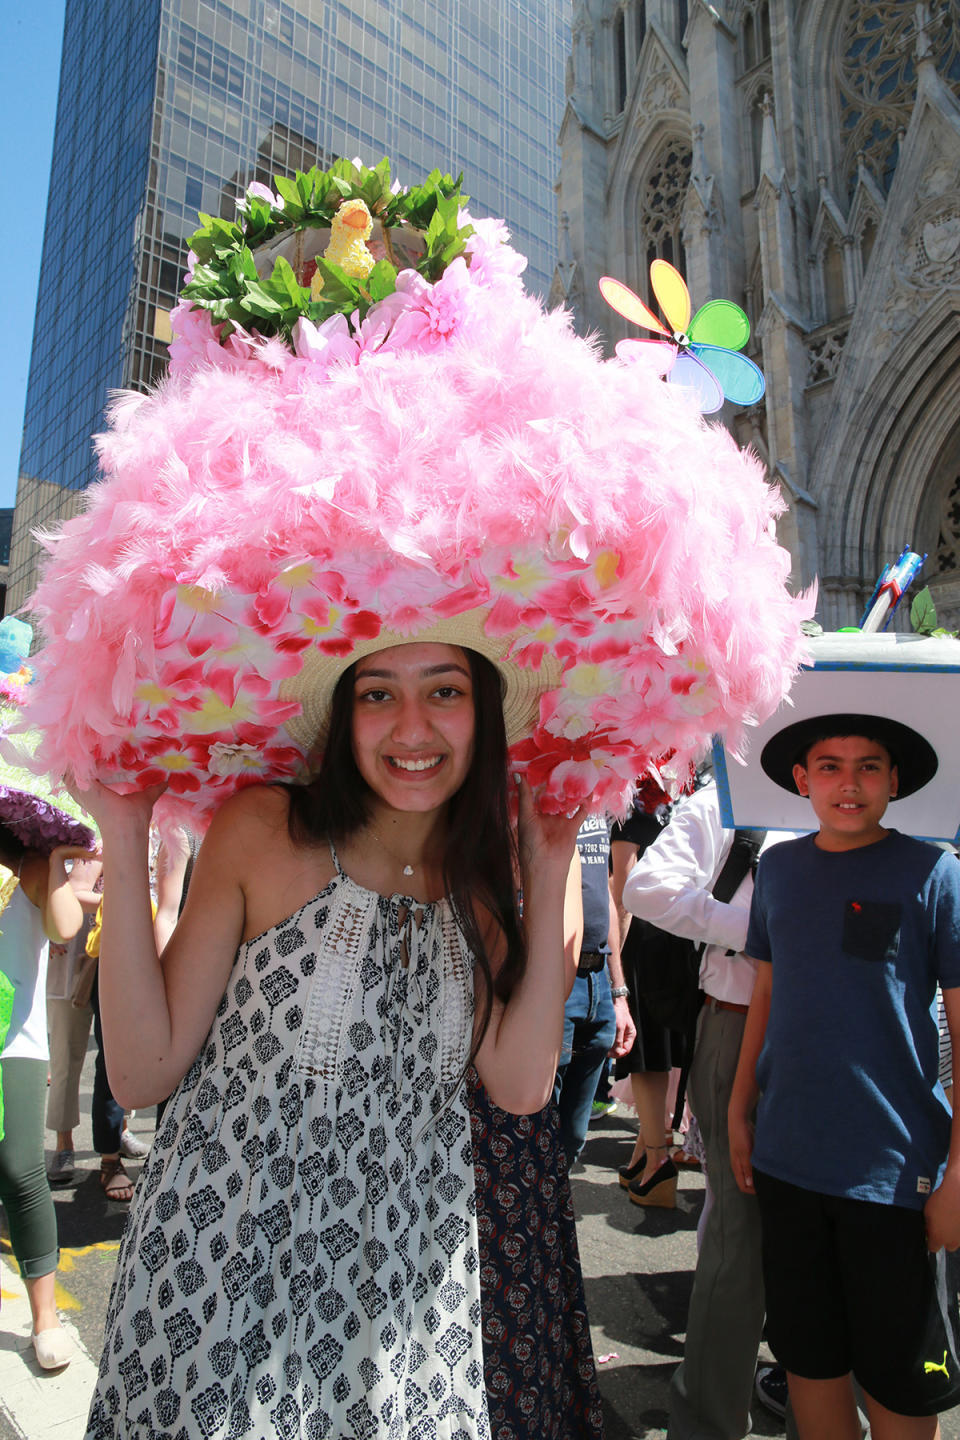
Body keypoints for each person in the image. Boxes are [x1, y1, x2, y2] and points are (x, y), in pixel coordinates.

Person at [78, 639, 605, 1439]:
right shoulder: (264, 825)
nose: (412, 728)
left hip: (405, 1283)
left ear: (485, 714)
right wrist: (122, 836)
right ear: (342, 715)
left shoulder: (483, 885)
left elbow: (524, 1088)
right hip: (226, 1263)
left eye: (446, 692)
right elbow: (143, 1072)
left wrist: (550, 858)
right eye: (377, 695)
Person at [729, 714, 960, 1440]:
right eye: (828, 766)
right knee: (809, 1362)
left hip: (892, 1174)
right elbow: (766, 991)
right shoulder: (780, 869)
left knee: (899, 1383)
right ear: (801, 781)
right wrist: (739, 1108)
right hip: (788, 1159)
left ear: (896, 781)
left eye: (868, 766)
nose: (848, 783)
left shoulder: (936, 873)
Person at [622, 780, 787, 1434]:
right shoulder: (735, 792)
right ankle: (709, 1419)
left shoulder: (881, 788)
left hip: (844, 1042)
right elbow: (646, 887)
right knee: (738, 1230)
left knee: (831, 1234)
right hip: (739, 1023)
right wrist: (759, 931)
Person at [0, 823, 92, 1370]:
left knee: (18, 1168)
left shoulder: (30, 868)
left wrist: (57, 863)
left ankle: (45, 1317)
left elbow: (66, 926)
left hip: (16, 1043)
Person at [553, 813, 635, 1168]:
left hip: (598, 982)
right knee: (537, 1129)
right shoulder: (539, 784)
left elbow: (603, 891)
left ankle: (555, 1214)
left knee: (572, 1137)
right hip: (552, 980)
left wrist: (618, 994)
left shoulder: (599, 796)